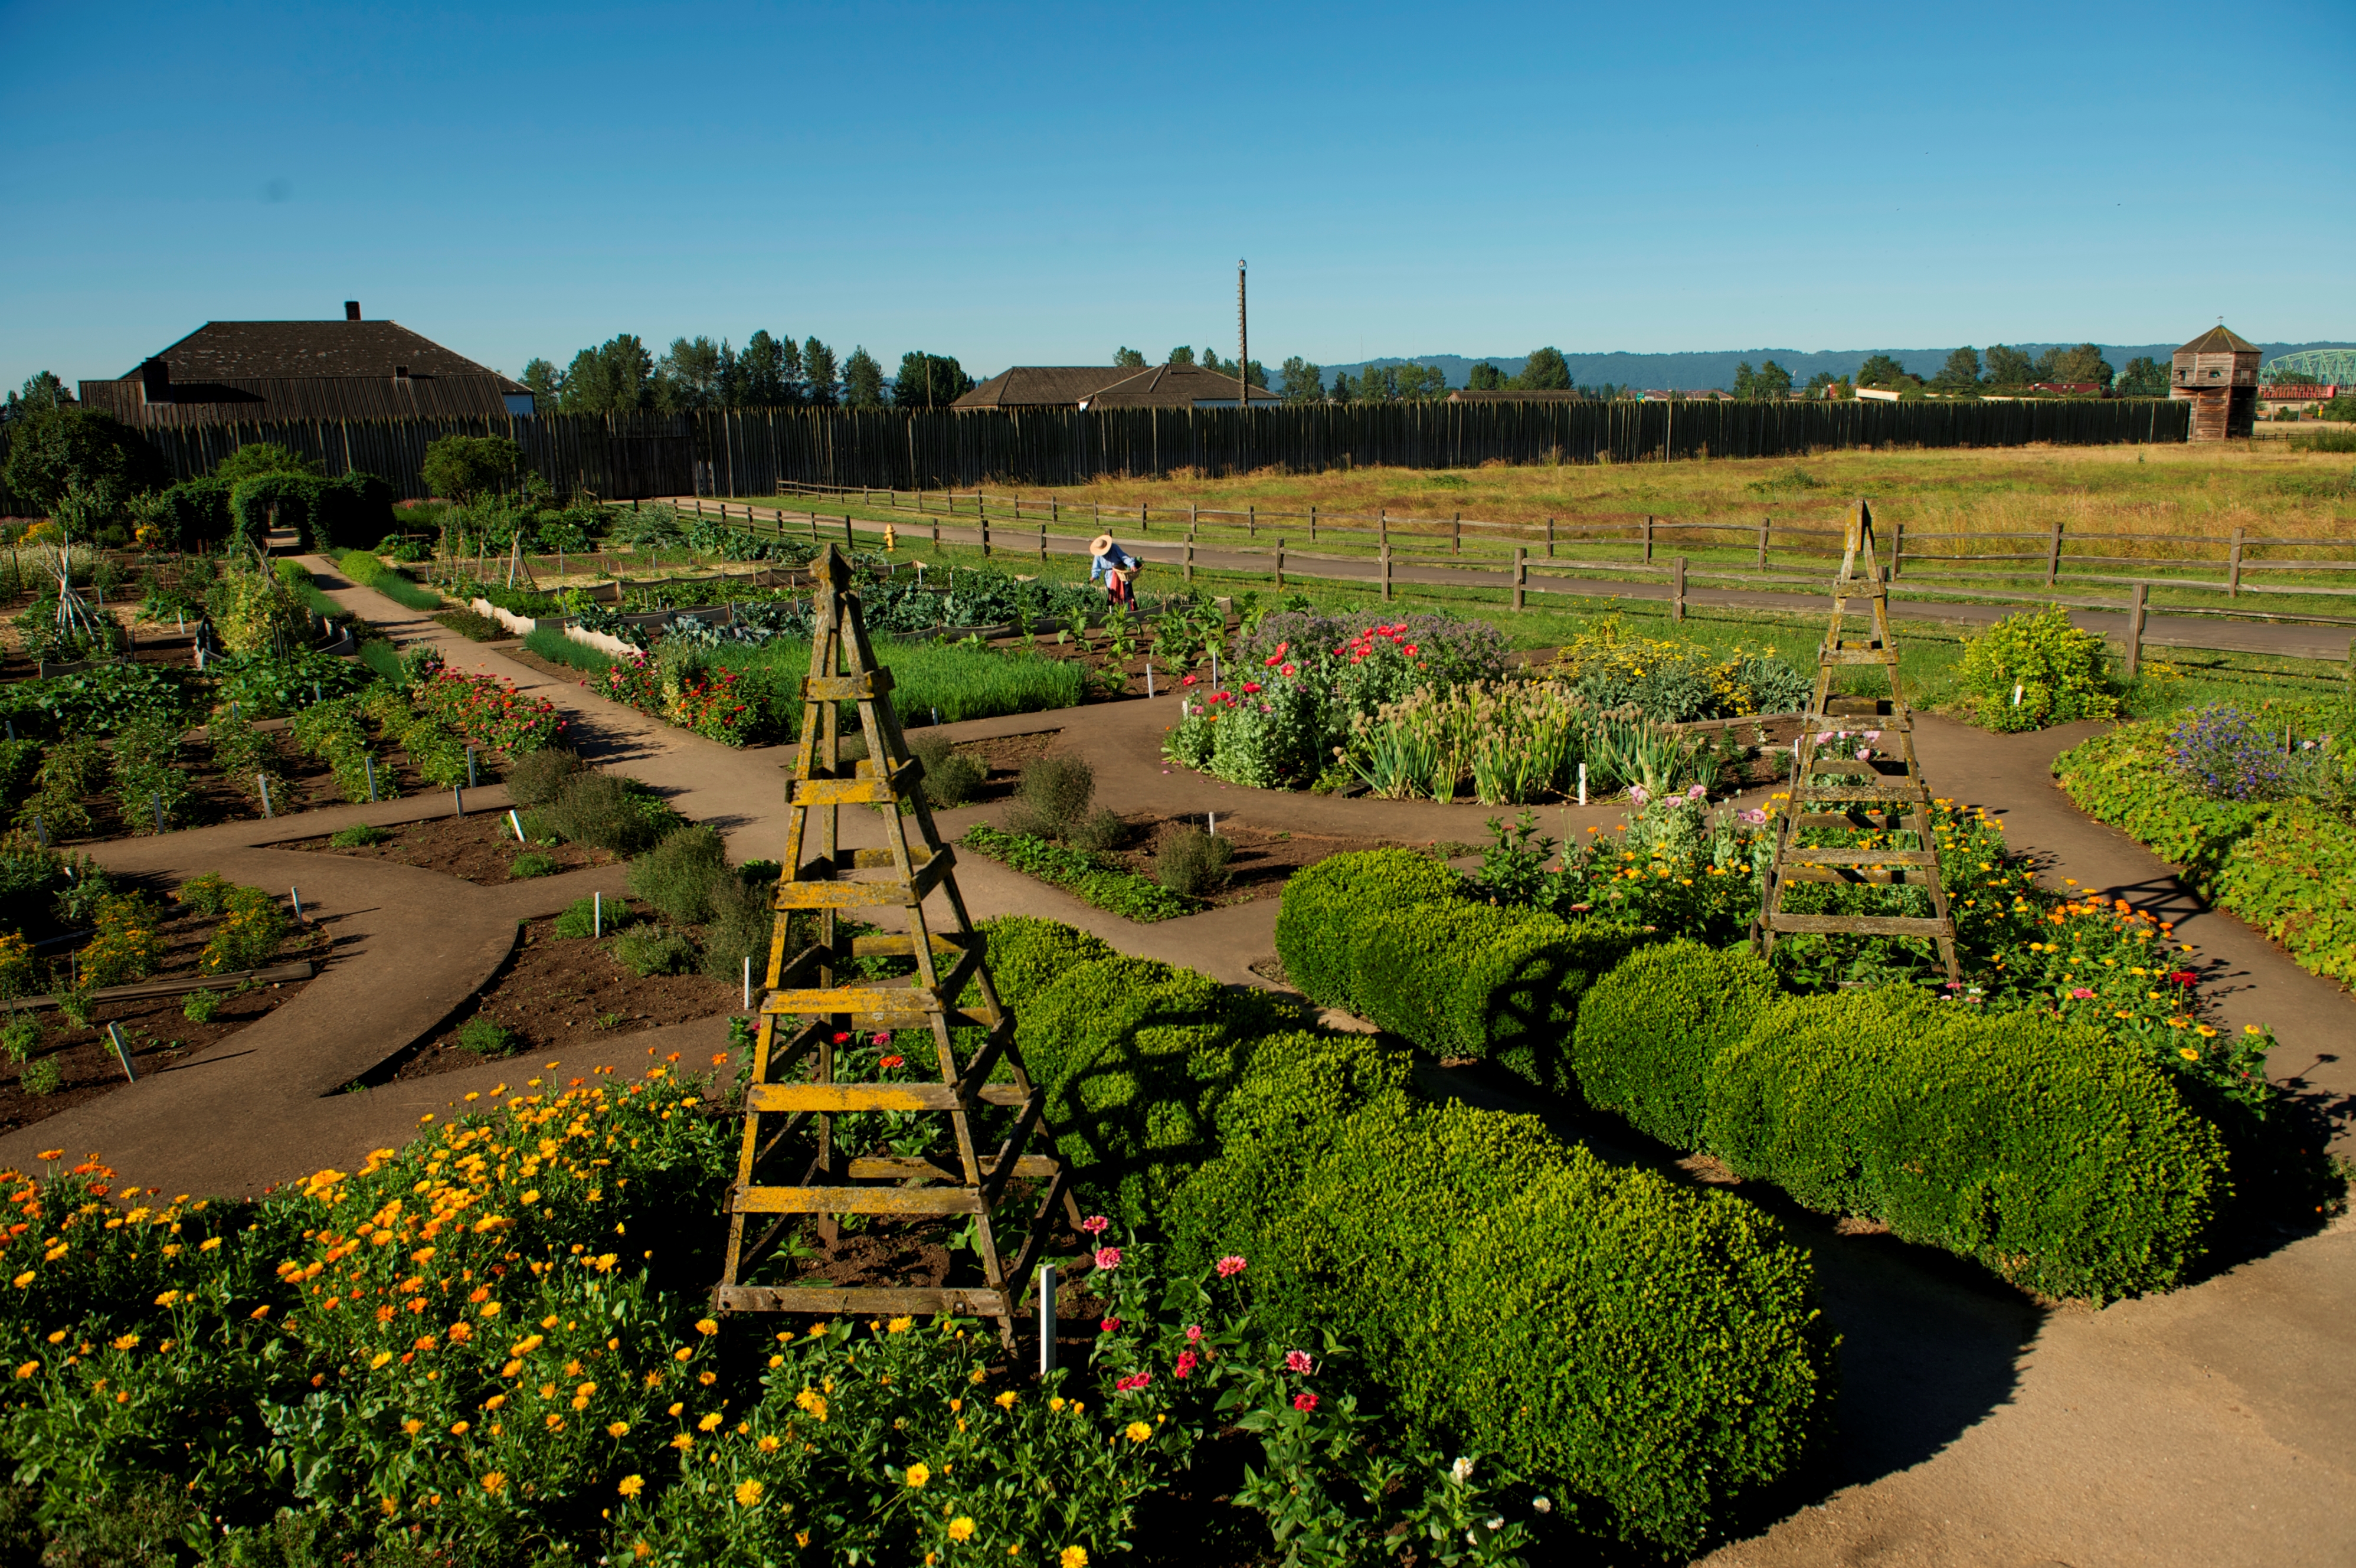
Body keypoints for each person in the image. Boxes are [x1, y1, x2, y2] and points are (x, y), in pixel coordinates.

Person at [1089, 533, 1141, 610]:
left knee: (1128, 595)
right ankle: (1113, 616)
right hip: (1110, 578)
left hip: (1122, 574)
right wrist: (1094, 577)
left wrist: (1132, 565)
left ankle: (1132, 615)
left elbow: (1124, 557)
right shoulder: (1098, 555)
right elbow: (1096, 567)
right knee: (1113, 597)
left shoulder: (1114, 548)